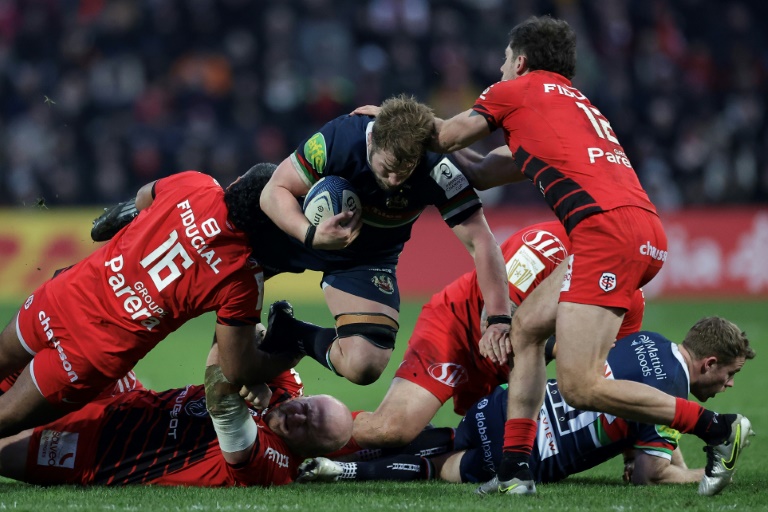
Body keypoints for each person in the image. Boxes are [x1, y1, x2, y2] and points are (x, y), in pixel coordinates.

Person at [415, 15, 749, 496]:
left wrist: (390, 118)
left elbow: (446, 137)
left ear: (521, 61)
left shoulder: (515, 91)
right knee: (527, 329)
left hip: (605, 232)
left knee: (579, 385)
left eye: (506, 61)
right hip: (638, 225)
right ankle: (514, 472)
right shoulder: (573, 105)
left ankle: (718, 429)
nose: (502, 68)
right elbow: (484, 172)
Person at [298, 317, 755, 496]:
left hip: (509, 407)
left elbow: (634, 413)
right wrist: (705, 472)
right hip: (530, 451)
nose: (729, 384)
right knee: (440, 469)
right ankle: (343, 471)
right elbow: (648, 475)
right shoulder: (674, 396)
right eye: (729, 373)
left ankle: (330, 451)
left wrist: (647, 447)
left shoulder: (645, 340)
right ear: (709, 362)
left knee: (446, 439)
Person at [0, 163, 295, 440]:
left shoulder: (197, 184)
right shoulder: (242, 278)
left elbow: (143, 197)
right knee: (4, 417)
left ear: (238, 182)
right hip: (89, 354)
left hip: (60, 298)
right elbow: (236, 368)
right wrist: (293, 349)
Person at [256, 94, 510, 386]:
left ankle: (291, 334)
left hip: (368, 257)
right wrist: (310, 233)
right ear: (372, 142)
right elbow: (274, 190)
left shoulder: (436, 167)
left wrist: (499, 317)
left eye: (404, 171)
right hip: (300, 233)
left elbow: (481, 241)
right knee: (238, 359)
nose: (394, 181)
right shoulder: (340, 138)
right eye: (387, 168)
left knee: (365, 364)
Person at [349, 220, 645, 453]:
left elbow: (618, 373)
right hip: (457, 332)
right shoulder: (545, 245)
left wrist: (638, 451)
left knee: (487, 450)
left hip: (516, 366)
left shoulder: (629, 295)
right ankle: (311, 429)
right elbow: (495, 322)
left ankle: (423, 445)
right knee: (391, 429)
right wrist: (570, 348)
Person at [0, 340, 353, 487]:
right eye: (308, 409)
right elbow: (258, 334)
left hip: (104, 455)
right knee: (75, 343)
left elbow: (221, 398)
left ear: (308, 452)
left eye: (310, 428)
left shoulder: (271, 464)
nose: (300, 416)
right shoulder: (288, 390)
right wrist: (258, 365)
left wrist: (244, 372)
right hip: (127, 399)